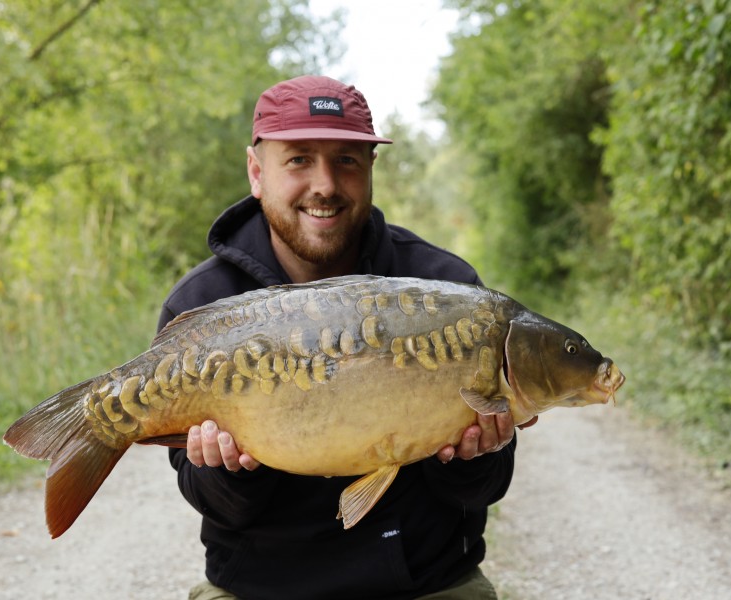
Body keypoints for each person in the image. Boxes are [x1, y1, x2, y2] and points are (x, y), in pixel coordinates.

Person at [157, 75, 525, 600]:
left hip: (424, 583)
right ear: (257, 173)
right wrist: (232, 471)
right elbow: (213, 504)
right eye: (300, 159)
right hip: (260, 588)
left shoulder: (449, 290)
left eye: (347, 160)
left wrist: (472, 457)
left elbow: (489, 487)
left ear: (371, 170)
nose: (325, 184)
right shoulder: (203, 305)